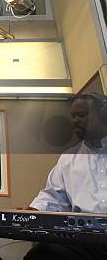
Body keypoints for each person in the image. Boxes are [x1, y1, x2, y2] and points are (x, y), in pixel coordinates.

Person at [22, 93, 107, 260]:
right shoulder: (68, 158)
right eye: (73, 116)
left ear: (104, 114)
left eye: (82, 115)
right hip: (85, 241)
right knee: (40, 254)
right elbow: (53, 196)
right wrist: (35, 210)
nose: (75, 121)